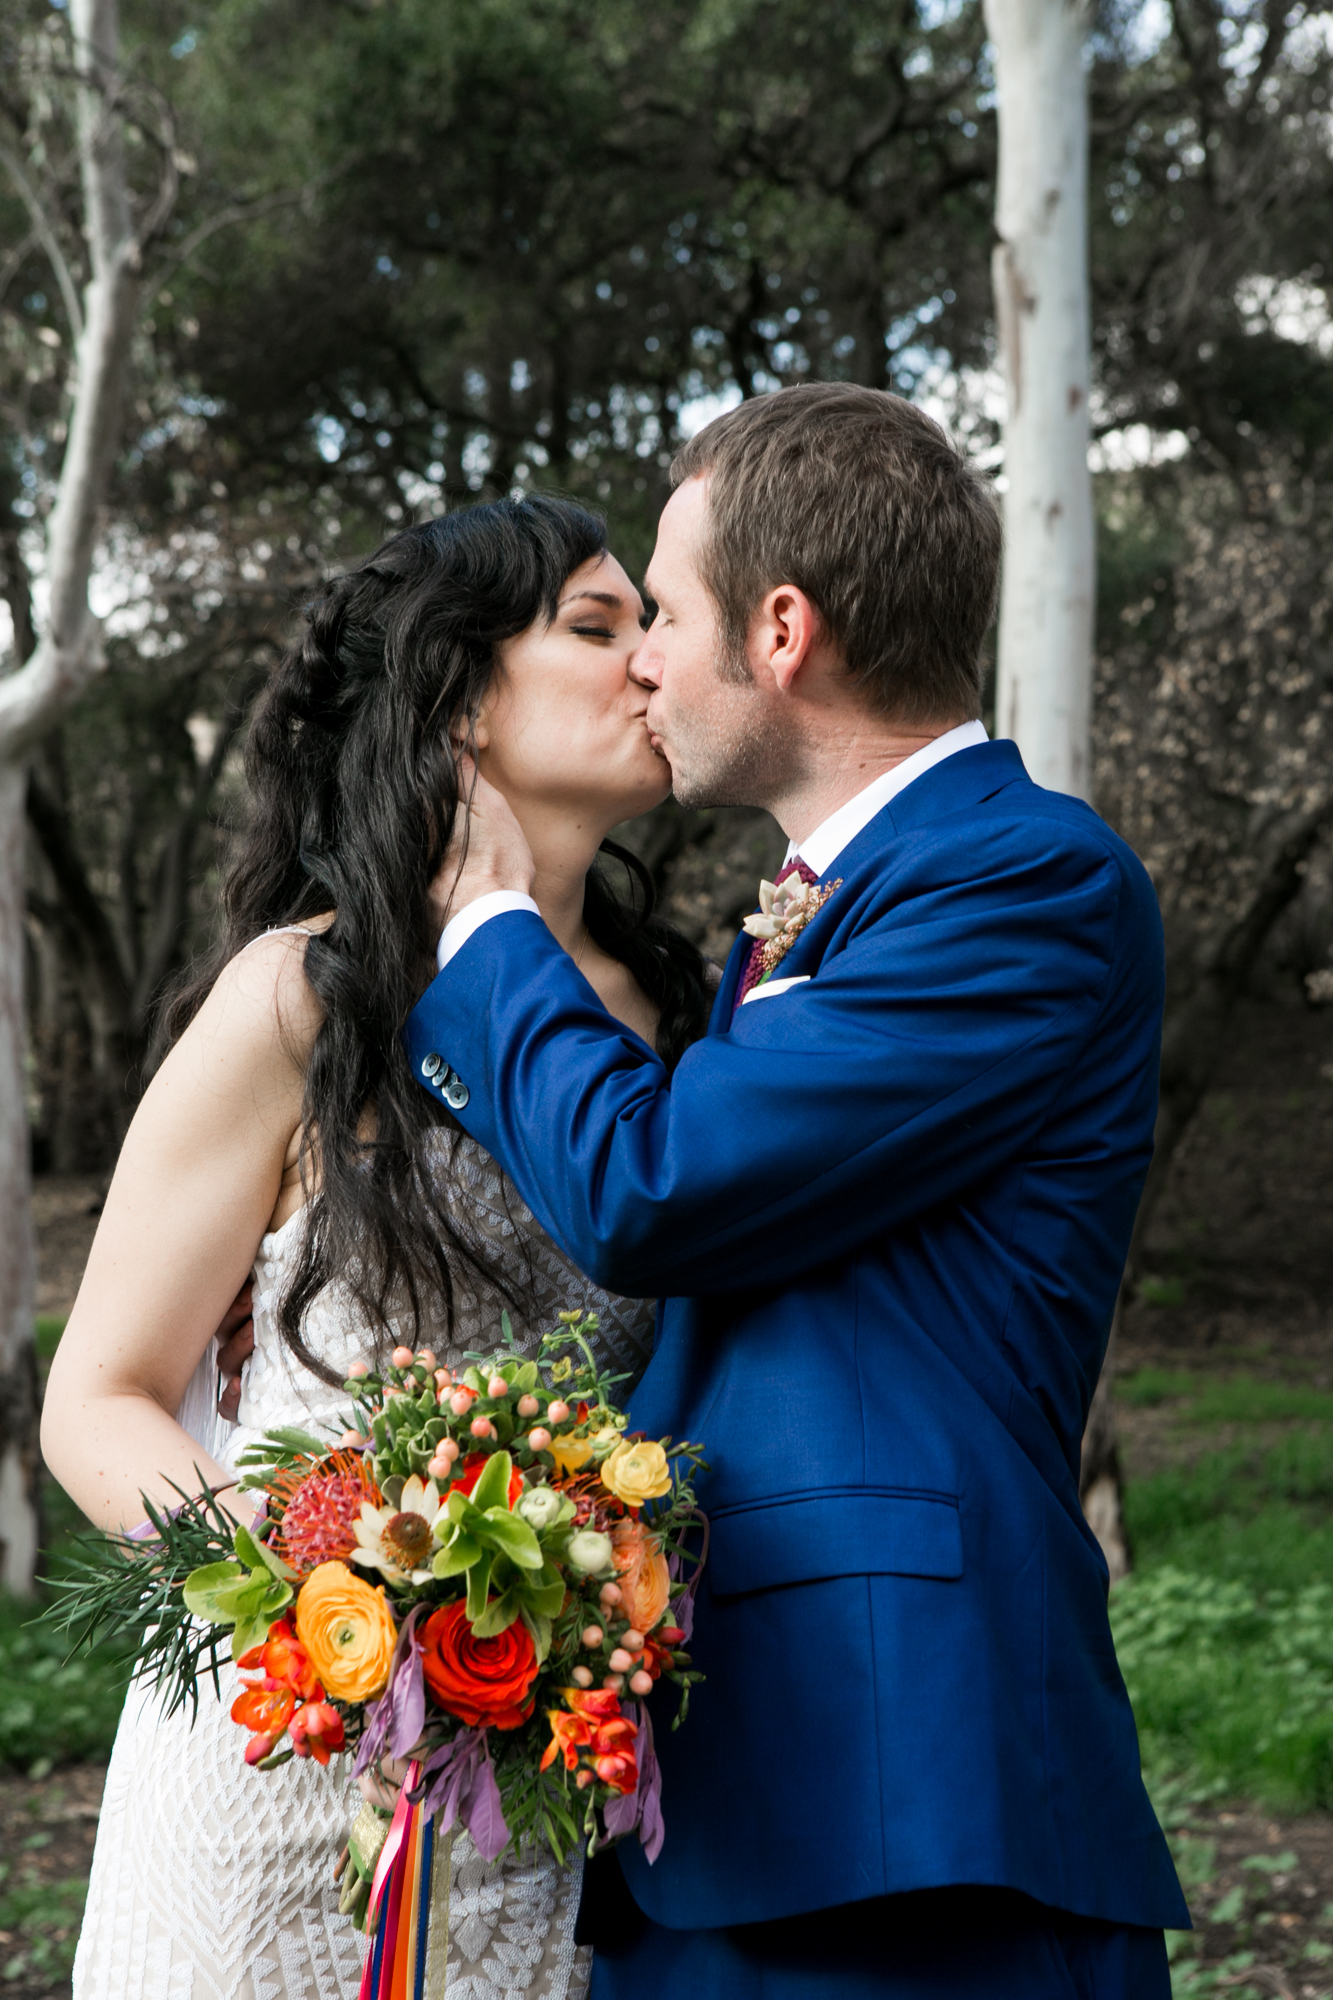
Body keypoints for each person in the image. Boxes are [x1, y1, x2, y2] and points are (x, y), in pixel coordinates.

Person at [401, 384, 1191, 1999]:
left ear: (779, 631)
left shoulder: (1015, 877)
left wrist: (485, 926)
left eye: (664, 618)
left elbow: (656, 1187)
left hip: (899, 1788)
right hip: (742, 1779)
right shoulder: (824, 908)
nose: (639, 662)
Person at [43, 496, 712, 2000]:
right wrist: (331, 1613)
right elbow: (100, 1394)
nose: (650, 668)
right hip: (281, 1750)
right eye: (599, 631)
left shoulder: (680, 1019)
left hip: (539, 1786)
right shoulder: (302, 996)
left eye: (652, 630)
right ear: (461, 695)